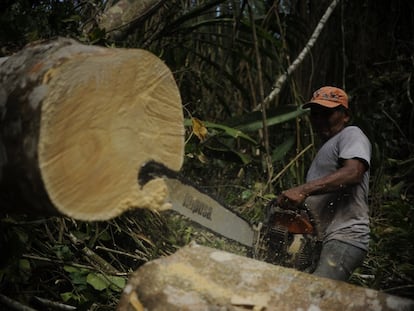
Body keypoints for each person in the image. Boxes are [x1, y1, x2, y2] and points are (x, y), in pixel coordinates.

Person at [276, 86, 372, 282]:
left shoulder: (351, 134)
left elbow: (353, 172)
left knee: (316, 294)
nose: (319, 119)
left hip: (345, 237)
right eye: (315, 114)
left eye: (327, 113)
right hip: (322, 239)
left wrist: (303, 190)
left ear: (345, 115)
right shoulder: (327, 147)